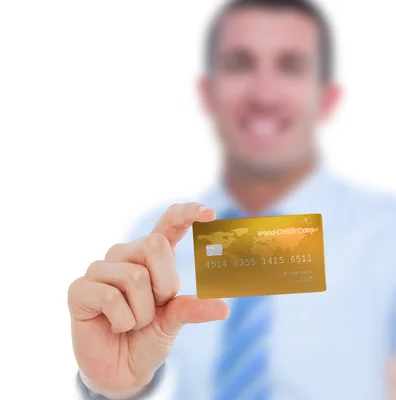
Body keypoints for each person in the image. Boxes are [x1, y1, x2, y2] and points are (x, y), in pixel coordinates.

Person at [67, 0, 396, 398]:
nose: (265, 94)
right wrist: (112, 388)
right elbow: (148, 376)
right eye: (240, 63)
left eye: (290, 65)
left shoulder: (386, 236)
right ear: (207, 93)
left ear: (327, 98)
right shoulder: (156, 240)